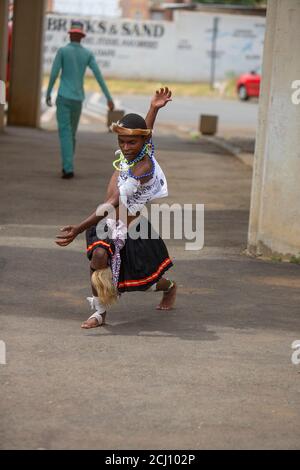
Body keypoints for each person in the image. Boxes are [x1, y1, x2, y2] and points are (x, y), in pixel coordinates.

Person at [55, 87, 177, 329]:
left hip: (132, 230)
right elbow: (145, 132)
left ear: (141, 142)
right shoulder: (138, 148)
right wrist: (153, 108)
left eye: (131, 142)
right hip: (108, 224)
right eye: (121, 141)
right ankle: (100, 313)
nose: (126, 146)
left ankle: (170, 287)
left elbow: (111, 203)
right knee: (99, 258)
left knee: (144, 282)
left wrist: (79, 228)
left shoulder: (142, 168)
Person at [46, 20, 114, 179]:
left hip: (63, 97)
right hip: (77, 99)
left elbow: (54, 73)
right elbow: (99, 77)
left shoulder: (62, 51)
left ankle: (68, 167)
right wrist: (109, 98)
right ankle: (68, 164)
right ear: (81, 36)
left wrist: (48, 92)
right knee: (72, 134)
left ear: (70, 35)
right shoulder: (87, 54)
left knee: (65, 133)